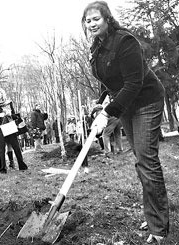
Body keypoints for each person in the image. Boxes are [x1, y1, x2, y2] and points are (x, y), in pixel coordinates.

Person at [82, 1, 168, 243]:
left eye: (96, 19)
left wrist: (108, 113)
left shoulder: (125, 41)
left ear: (107, 18)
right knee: (141, 162)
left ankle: (159, 227)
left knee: (147, 161)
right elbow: (108, 79)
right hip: (127, 104)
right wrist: (101, 103)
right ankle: (153, 216)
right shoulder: (97, 47)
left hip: (146, 101)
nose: (91, 24)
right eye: (87, 20)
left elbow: (133, 83)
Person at [0, 87, 28, 173]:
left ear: (2, 94)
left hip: (10, 127)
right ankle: (3, 169)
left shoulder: (8, 103)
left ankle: (22, 166)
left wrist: (10, 114)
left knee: (16, 147)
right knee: (2, 149)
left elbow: (15, 116)